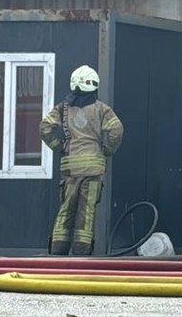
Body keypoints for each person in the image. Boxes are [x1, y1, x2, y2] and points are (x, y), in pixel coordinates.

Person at [40, 65, 124, 256]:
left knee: (66, 209)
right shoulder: (102, 109)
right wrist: (107, 149)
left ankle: (57, 253)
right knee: (86, 213)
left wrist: (60, 146)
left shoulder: (63, 108)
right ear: (94, 86)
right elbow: (116, 131)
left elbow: (45, 128)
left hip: (70, 168)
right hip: (94, 169)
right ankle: (81, 254)